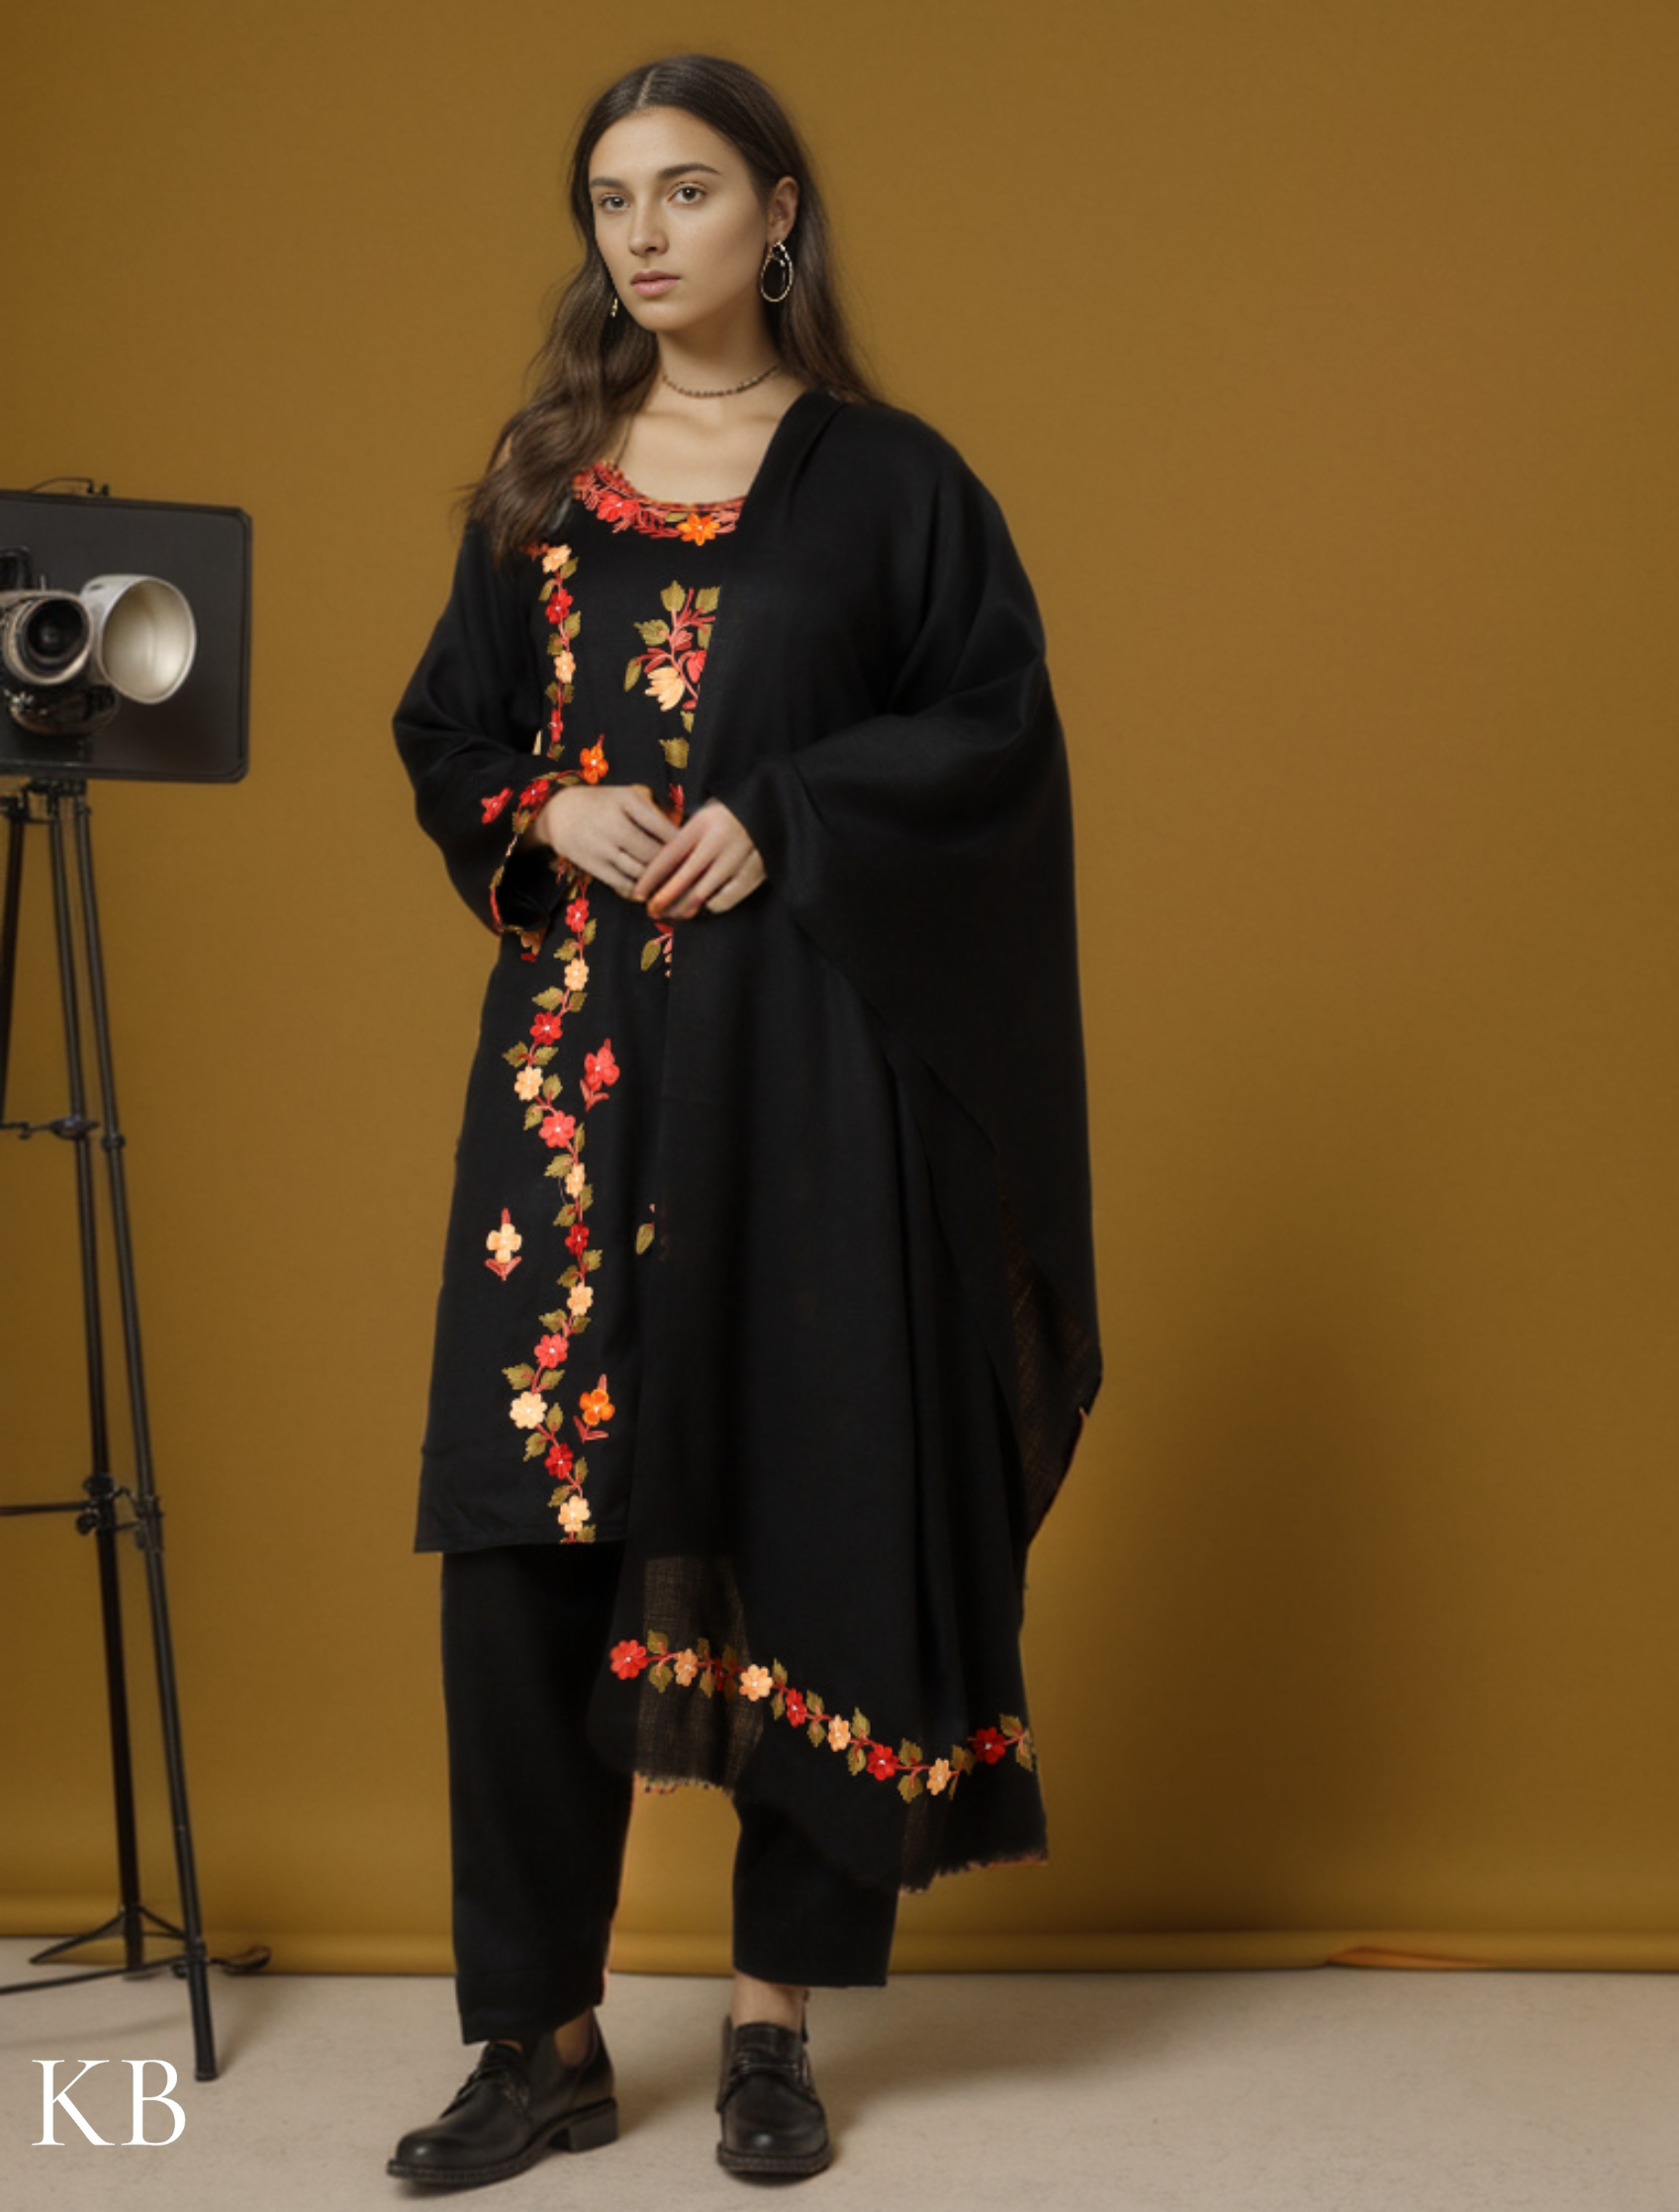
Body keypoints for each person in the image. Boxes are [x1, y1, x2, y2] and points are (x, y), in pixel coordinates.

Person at [388, 51, 1099, 2189]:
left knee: (810, 1509)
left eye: (687, 189)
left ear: (779, 213)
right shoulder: (540, 485)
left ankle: (774, 2024)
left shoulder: (893, 486)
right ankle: (538, 2040)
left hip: (805, 1088)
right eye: (613, 197)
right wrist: (547, 806)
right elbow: (448, 730)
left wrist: (788, 813)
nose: (645, 232)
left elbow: (992, 733)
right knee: (525, 1544)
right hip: (574, 1093)